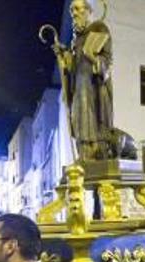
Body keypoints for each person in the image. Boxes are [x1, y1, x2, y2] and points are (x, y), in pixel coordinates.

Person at [56, 0, 113, 160]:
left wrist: (92, 56)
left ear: (88, 10)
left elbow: (107, 62)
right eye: (71, 10)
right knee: (78, 115)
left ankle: (94, 151)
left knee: (91, 116)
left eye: (77, 9)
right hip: (78, 86)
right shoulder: (76, 40)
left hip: (94, 87)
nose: (74, 13)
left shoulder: (100, 29)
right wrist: (64, 56)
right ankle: (83, 153)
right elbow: (73, 67)